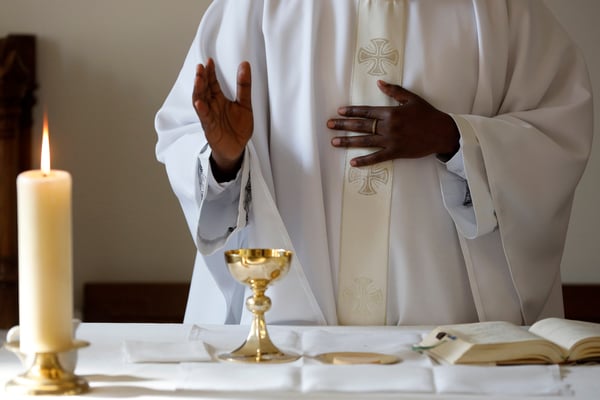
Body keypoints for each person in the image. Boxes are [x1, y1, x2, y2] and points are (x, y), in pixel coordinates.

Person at [155, 0, 593, 326]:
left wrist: (452, 137)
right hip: (291, 330)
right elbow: (187, 134)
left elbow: (557, 134)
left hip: (449, 329)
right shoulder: (254, 8)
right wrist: (225, 157)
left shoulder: (499, 11)